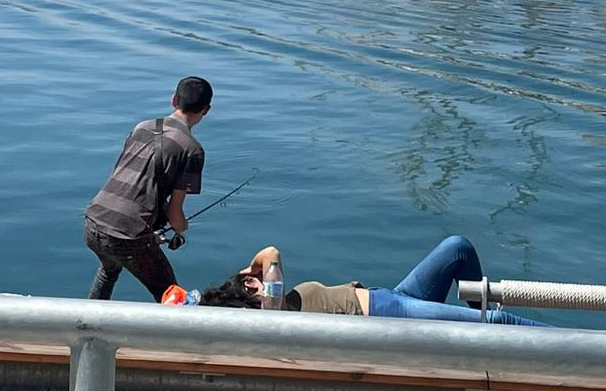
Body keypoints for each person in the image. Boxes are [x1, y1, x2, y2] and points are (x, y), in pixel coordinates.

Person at [197, 235, 549, 326]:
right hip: (389, 316)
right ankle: (595, 345)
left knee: (457, 248)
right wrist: (250, 271)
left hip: (389, 298)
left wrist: (246, 279)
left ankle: (478, 322)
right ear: (249, 294)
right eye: (249, 286)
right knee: (500, 320)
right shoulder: (272, 312)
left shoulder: (276, 308)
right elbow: (271, 252)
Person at [84, 77, 212, 301]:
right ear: (206, 110)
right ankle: (180, 336)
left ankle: (85, 327)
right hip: (127, 236)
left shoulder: (142, 127)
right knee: (171, 294)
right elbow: (175, 214)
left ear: (174, 100)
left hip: (94, 222)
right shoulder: (192, 150)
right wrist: (182, 228)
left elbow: (126, 177)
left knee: (109, 270)